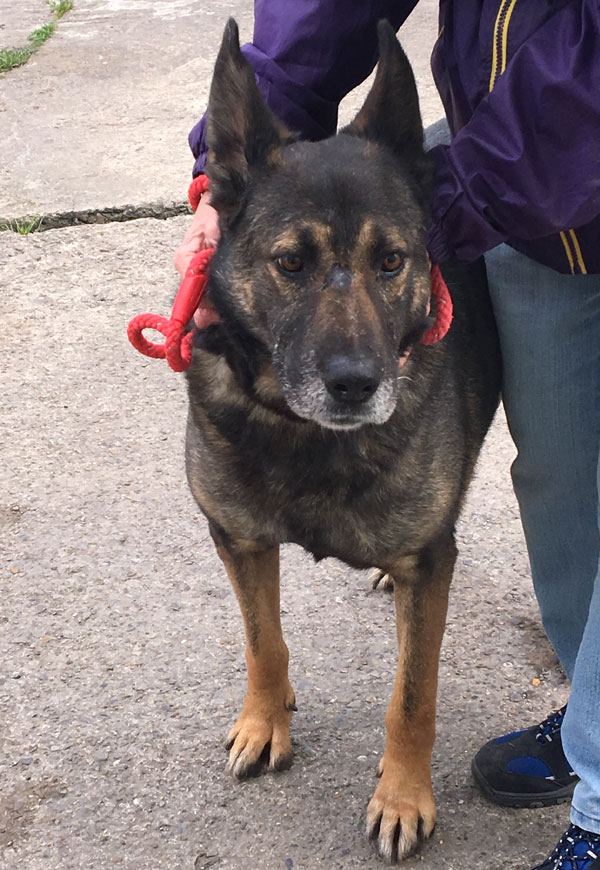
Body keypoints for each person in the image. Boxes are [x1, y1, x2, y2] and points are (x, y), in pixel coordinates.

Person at [175, 3, 600, 867]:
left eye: (388, 265)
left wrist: (434, 201)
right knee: (564, 477)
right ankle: (589, 700)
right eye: (292, 266)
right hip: (527, 212)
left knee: (432, 536)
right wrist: (262, 124)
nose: (352, 357)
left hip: (532, 167)